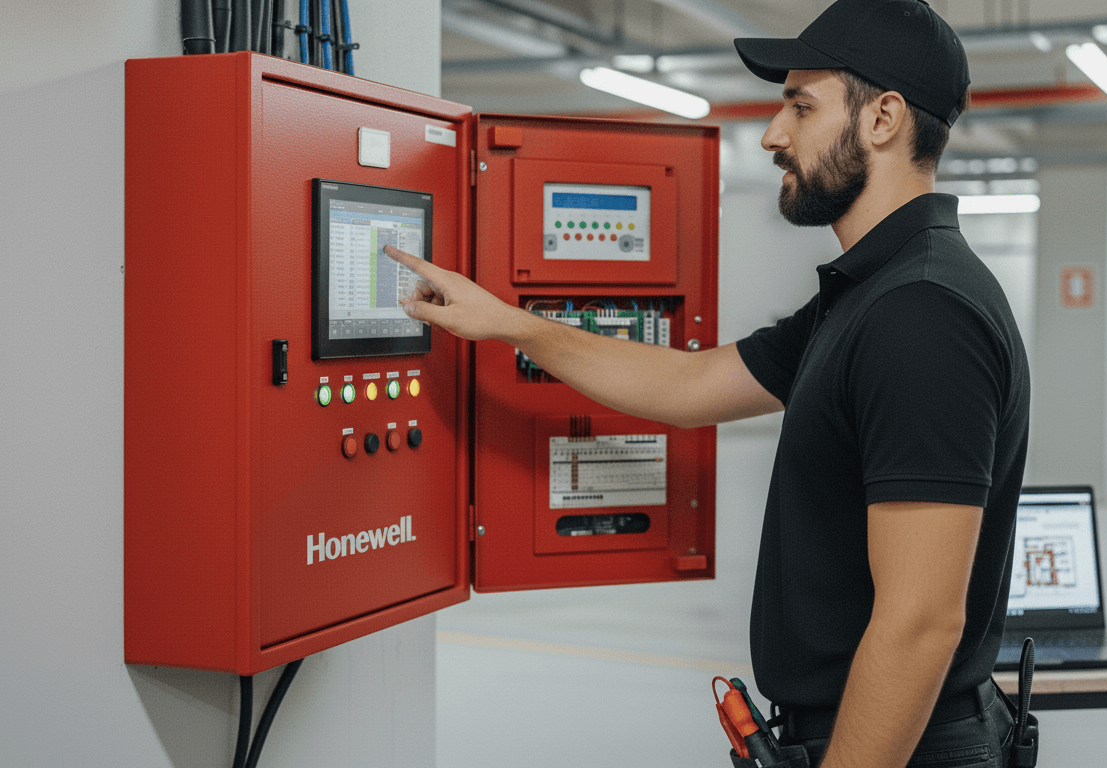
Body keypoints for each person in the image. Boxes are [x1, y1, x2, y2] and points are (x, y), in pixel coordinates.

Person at [386, 0, 1029, 764]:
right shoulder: (869, 294)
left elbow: (921, 622)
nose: (771, 134)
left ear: (883, 118)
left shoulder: (921, 315)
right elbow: (691, 383)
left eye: (800, 105)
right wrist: (510, 323)